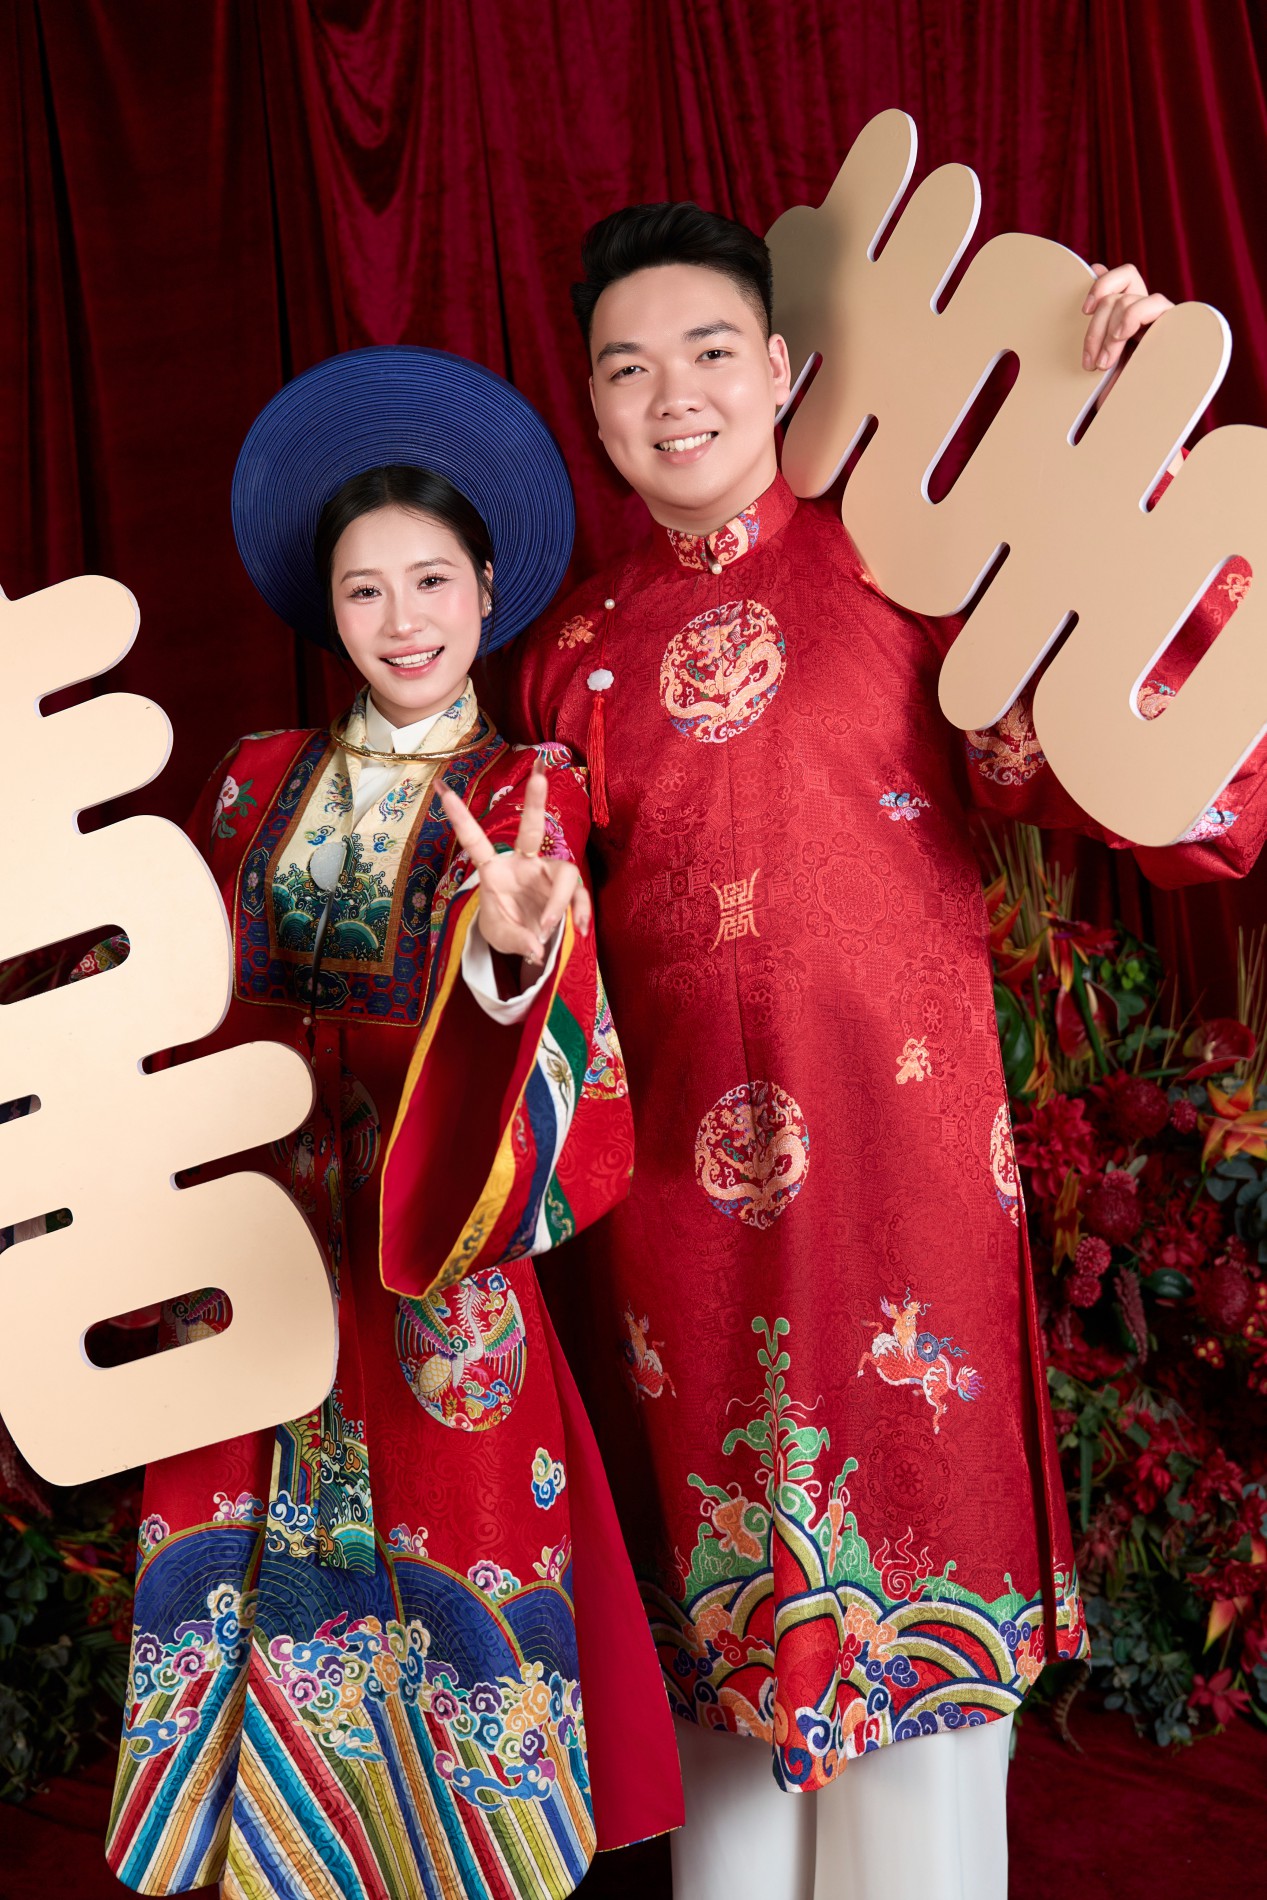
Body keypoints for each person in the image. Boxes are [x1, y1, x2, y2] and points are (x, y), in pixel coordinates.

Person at [503, 207, 1267, 1900]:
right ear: (594, 406)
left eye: (711, 351)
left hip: (907, 1216)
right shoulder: (569, 659)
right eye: (628, 369)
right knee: (724, 1767)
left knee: (919, 1776)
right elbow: (538, 994)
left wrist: (1126, 444)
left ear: (782, 367)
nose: (674, 395)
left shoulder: (904, 572)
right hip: (678, 1261)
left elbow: (1174, 792)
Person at [99, 346, 682, 1900]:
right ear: (330, 609)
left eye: (432, 582)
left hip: (436, 1247)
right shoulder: (253, 782)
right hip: (264, 1245)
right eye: (367, 591)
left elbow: (555, 1033)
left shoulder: (534, 793)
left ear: (487, 589)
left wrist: (510, 958)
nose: (404, 620)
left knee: (456, 1580)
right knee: (243, 1558)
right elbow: (184, 1005)